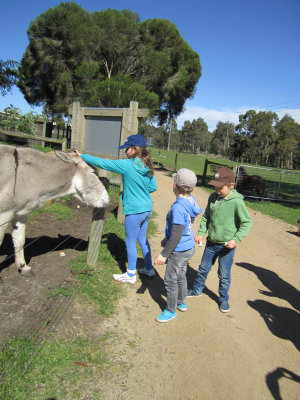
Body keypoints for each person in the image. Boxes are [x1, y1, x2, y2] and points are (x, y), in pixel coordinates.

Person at [75, 134, 157, 284]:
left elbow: (103, 163)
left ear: (134, 149)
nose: (125, 151)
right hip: (146, 209)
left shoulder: (128, 165)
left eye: (127, 149)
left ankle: (130, 274)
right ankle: (149, 269)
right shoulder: (147, 166)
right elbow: (153, 187)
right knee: (142, 239)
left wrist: (83, 156)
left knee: (130, 241)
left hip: (134, 211)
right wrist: (133, 191)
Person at [187, 167, 252, 313]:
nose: (217, 190)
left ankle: (223, 298)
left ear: (231, 185)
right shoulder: (213, 198)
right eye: (215, 186)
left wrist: (236, 239)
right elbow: (206, 217)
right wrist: (201, 233)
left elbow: (246, 223)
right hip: (211, 243)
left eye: (220, 187)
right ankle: (197, 289)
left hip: (226, 248)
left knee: (224, 275)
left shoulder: (237, 202)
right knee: (203, 268)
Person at [154, 168, 202, 323]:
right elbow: (177, 230)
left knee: (170, 279)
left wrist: (164, 254)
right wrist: (166, 238)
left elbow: (176, 235)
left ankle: (170, 310)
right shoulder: (191, 200)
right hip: (188, 247)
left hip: (178, 249)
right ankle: (181, 302)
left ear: (175, 185)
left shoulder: (178, 208)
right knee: (181, 274)